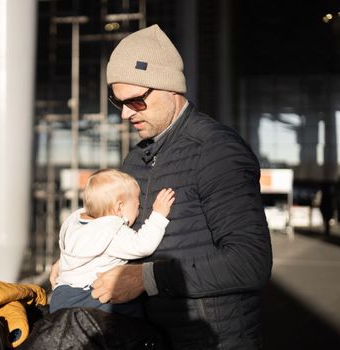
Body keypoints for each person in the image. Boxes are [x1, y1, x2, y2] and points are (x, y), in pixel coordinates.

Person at [51, 24, 273, 349]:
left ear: (170, 88)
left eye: (137, 101)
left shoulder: (216, 150)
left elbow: (250, 263)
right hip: (150, 338)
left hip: (212, 341)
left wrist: (147, 279)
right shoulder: (135, 160)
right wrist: (81, 260)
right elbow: (120, 233)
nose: (126, 113)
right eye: (119, 102)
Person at [50, 169, 175, 318]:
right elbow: (143, 245)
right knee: (131, 313)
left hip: (60, 296)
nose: (138, 212)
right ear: (119, 207)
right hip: (89, 297)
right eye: (137, 206)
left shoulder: (75, 223)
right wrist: (158, 215)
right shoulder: (112, 231)